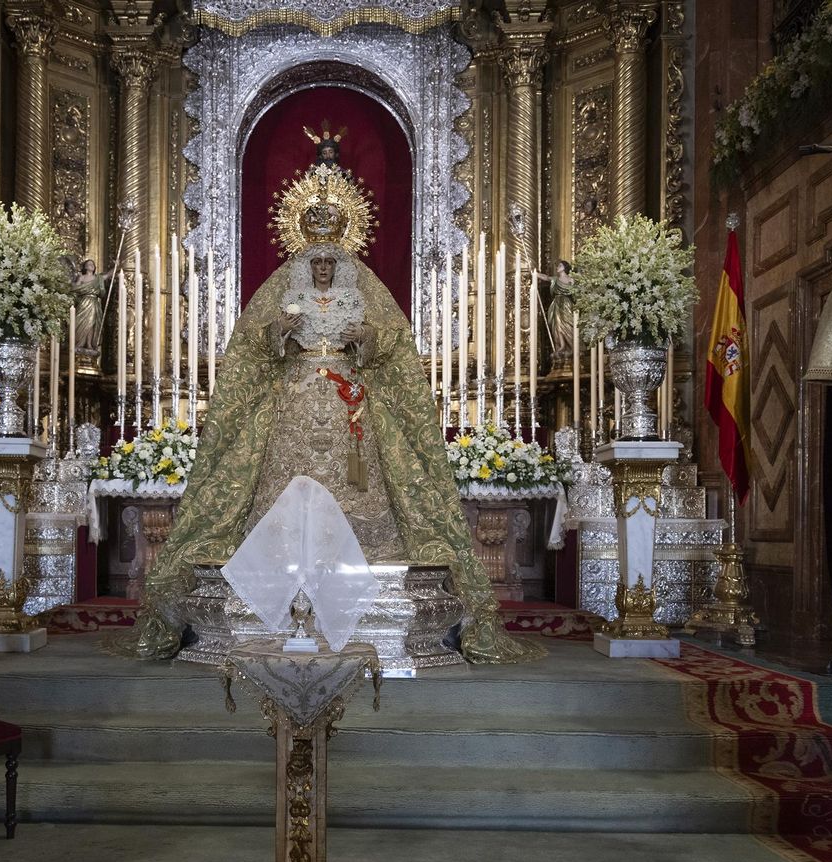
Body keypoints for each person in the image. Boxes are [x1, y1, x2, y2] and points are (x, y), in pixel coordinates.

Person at [106, 196, 540, 665]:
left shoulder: (360, 295)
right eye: (318, 262)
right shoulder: (287, 297)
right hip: (296, 393)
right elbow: (256, 342)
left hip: (348, 397)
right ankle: (280, 561)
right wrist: (279, 329)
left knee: (358, 476)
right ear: (307, 263)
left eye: (332, 261)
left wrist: (366, 340)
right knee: (286, 472)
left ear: (341, 264)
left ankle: (362, 557)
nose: (325, 269)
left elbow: (390, 338)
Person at [69, 258, 113, 355]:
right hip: (83, 302)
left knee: (91, 324)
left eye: (92, 264)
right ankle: (79, 343)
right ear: (85, 267)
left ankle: (89, 343)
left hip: (93, 303)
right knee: (81, 322)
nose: (91, 265)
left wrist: (116, 266)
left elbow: (108, 275)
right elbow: (75, 288)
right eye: (89, 264)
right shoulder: (82, 277)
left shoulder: (98, 278)